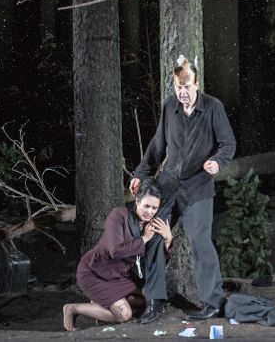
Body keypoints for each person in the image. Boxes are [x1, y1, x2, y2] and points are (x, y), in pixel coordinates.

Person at [130, 54, 236, 323]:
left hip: (198, 186)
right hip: (167, 183)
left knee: (201, 243)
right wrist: (141, 174)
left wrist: (217, 161)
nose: (182, 92)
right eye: (178, 87)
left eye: (187, 87)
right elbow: (157, 146)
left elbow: (228, 144)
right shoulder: (170, 107)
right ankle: (155, 301)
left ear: (197, 84)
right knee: (153, 236)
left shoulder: (213, 107)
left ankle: (213, 303)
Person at [63, 180, 171, 331]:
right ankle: (73, 309)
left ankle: (101, 308)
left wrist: (167, 240)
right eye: (146, 206)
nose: (150, 212)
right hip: (94, 273)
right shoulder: (119, 215)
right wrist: (144, 239)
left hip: (119, 277)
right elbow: (116, 251)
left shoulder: (149, 224)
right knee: (124, 315)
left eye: (154, 208)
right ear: (137, 201)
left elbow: (152, 262)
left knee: (148, 299)